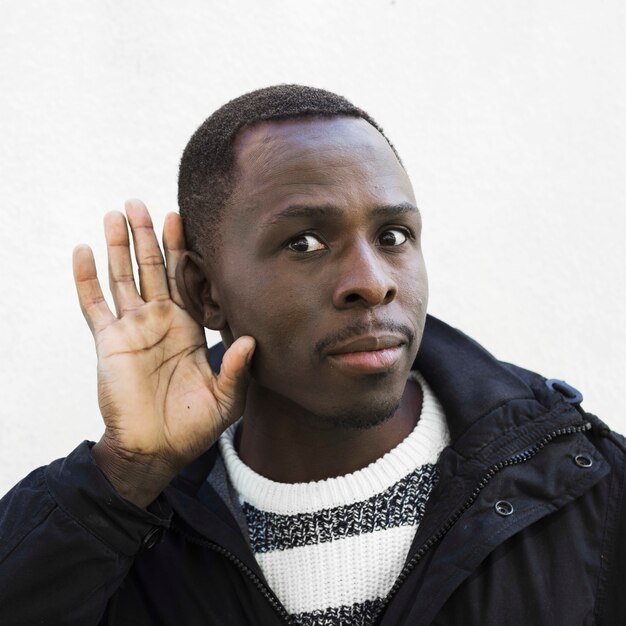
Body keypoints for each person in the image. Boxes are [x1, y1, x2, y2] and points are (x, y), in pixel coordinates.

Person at [0, 84, 624, 626]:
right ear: (203, 291)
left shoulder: (589, 491)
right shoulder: (125, 531)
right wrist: (123, 474)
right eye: (304, 242)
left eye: (394, 236)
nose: (372, 280)